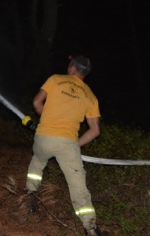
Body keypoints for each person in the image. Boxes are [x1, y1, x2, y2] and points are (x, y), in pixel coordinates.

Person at [24, 55, 108, 236]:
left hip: (43, 137)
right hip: (67, 143)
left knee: (37, 162)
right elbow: (95, 130)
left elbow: (36, 102)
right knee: (78, 185)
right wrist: (74, 145)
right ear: (86, 74)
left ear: (71, 67)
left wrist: (45, 120)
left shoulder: (55, 79)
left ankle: (30, 195)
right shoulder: (91, 96)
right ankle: (90, 228)